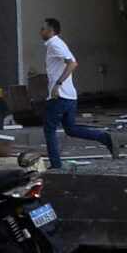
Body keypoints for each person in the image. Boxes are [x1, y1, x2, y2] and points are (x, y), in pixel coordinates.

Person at [39, 18, 115, 168]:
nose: (40, 30)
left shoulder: (55, 44)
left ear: (51, 31)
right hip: (69, 96)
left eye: (43, 28)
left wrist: (57, 84)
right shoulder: (58, 43)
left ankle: (56, 164)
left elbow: (72, 63)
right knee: (71, 129)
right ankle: (104, 138)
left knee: (49, 130)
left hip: (59, 96)